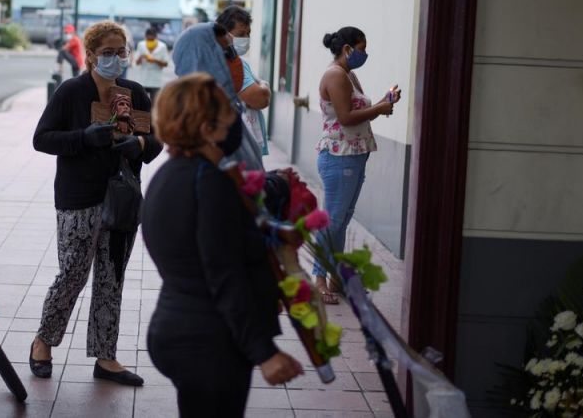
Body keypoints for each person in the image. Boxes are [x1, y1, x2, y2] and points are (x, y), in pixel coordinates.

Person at [142, 74, 303, 416]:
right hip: (209, 340)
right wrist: (264, 352)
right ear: (206, 127)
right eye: (228, 111)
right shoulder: (209, 183)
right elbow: (223, 273)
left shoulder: (170, 175)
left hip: (179, 328)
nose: (235, 118)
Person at [30, 20, 162, 386]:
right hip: (78, 198)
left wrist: (138, 145)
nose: (116, 59)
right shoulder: (72, 92)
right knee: (72, 274)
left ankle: (106, 357)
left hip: (121, 200)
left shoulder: (135, 93)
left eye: (122, 52)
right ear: (89, 56)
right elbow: (42, 138)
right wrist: (84, 138)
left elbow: (154, 142)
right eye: (108, 52)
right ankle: (43, 342)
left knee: (111, 278)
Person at [313, 26, 399, 304]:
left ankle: (337, 276)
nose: (365, 53)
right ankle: (319, 279)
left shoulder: (349, 74)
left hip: (354, 154)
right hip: (340, 157)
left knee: (342, 219)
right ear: (348, 48)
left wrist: (385, 102)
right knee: (334, 221)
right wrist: (379, 109)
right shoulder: (335, 76)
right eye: (362, 47)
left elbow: (360, 112)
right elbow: (347, 117)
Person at [172, 21, 263, 170]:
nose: (237, 61)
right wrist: (276, 185)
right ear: (203, 60)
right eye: (228, 53)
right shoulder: (204, 127)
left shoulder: (228, 112)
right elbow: (227, 187)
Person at [216, 6, 271, 155]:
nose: (246, 38)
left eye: (248, 34)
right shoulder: (231, 61)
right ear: (224, 34)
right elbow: (260, 99)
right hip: (240, 147)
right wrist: (264, 86)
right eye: (241, 34)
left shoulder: (214, 58)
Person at [133, 26, 169, 100]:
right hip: (143, 79)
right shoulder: (141, 45)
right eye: (148, 39)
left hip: (156, 80)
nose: (150, 40)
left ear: (156, 37)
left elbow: (165, 64)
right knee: (143, 103)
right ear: (145, 37)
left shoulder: (162, 46)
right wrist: (141, 57)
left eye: (152, 39)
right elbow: (137, 63)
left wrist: (155, 60)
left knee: (154, 103)